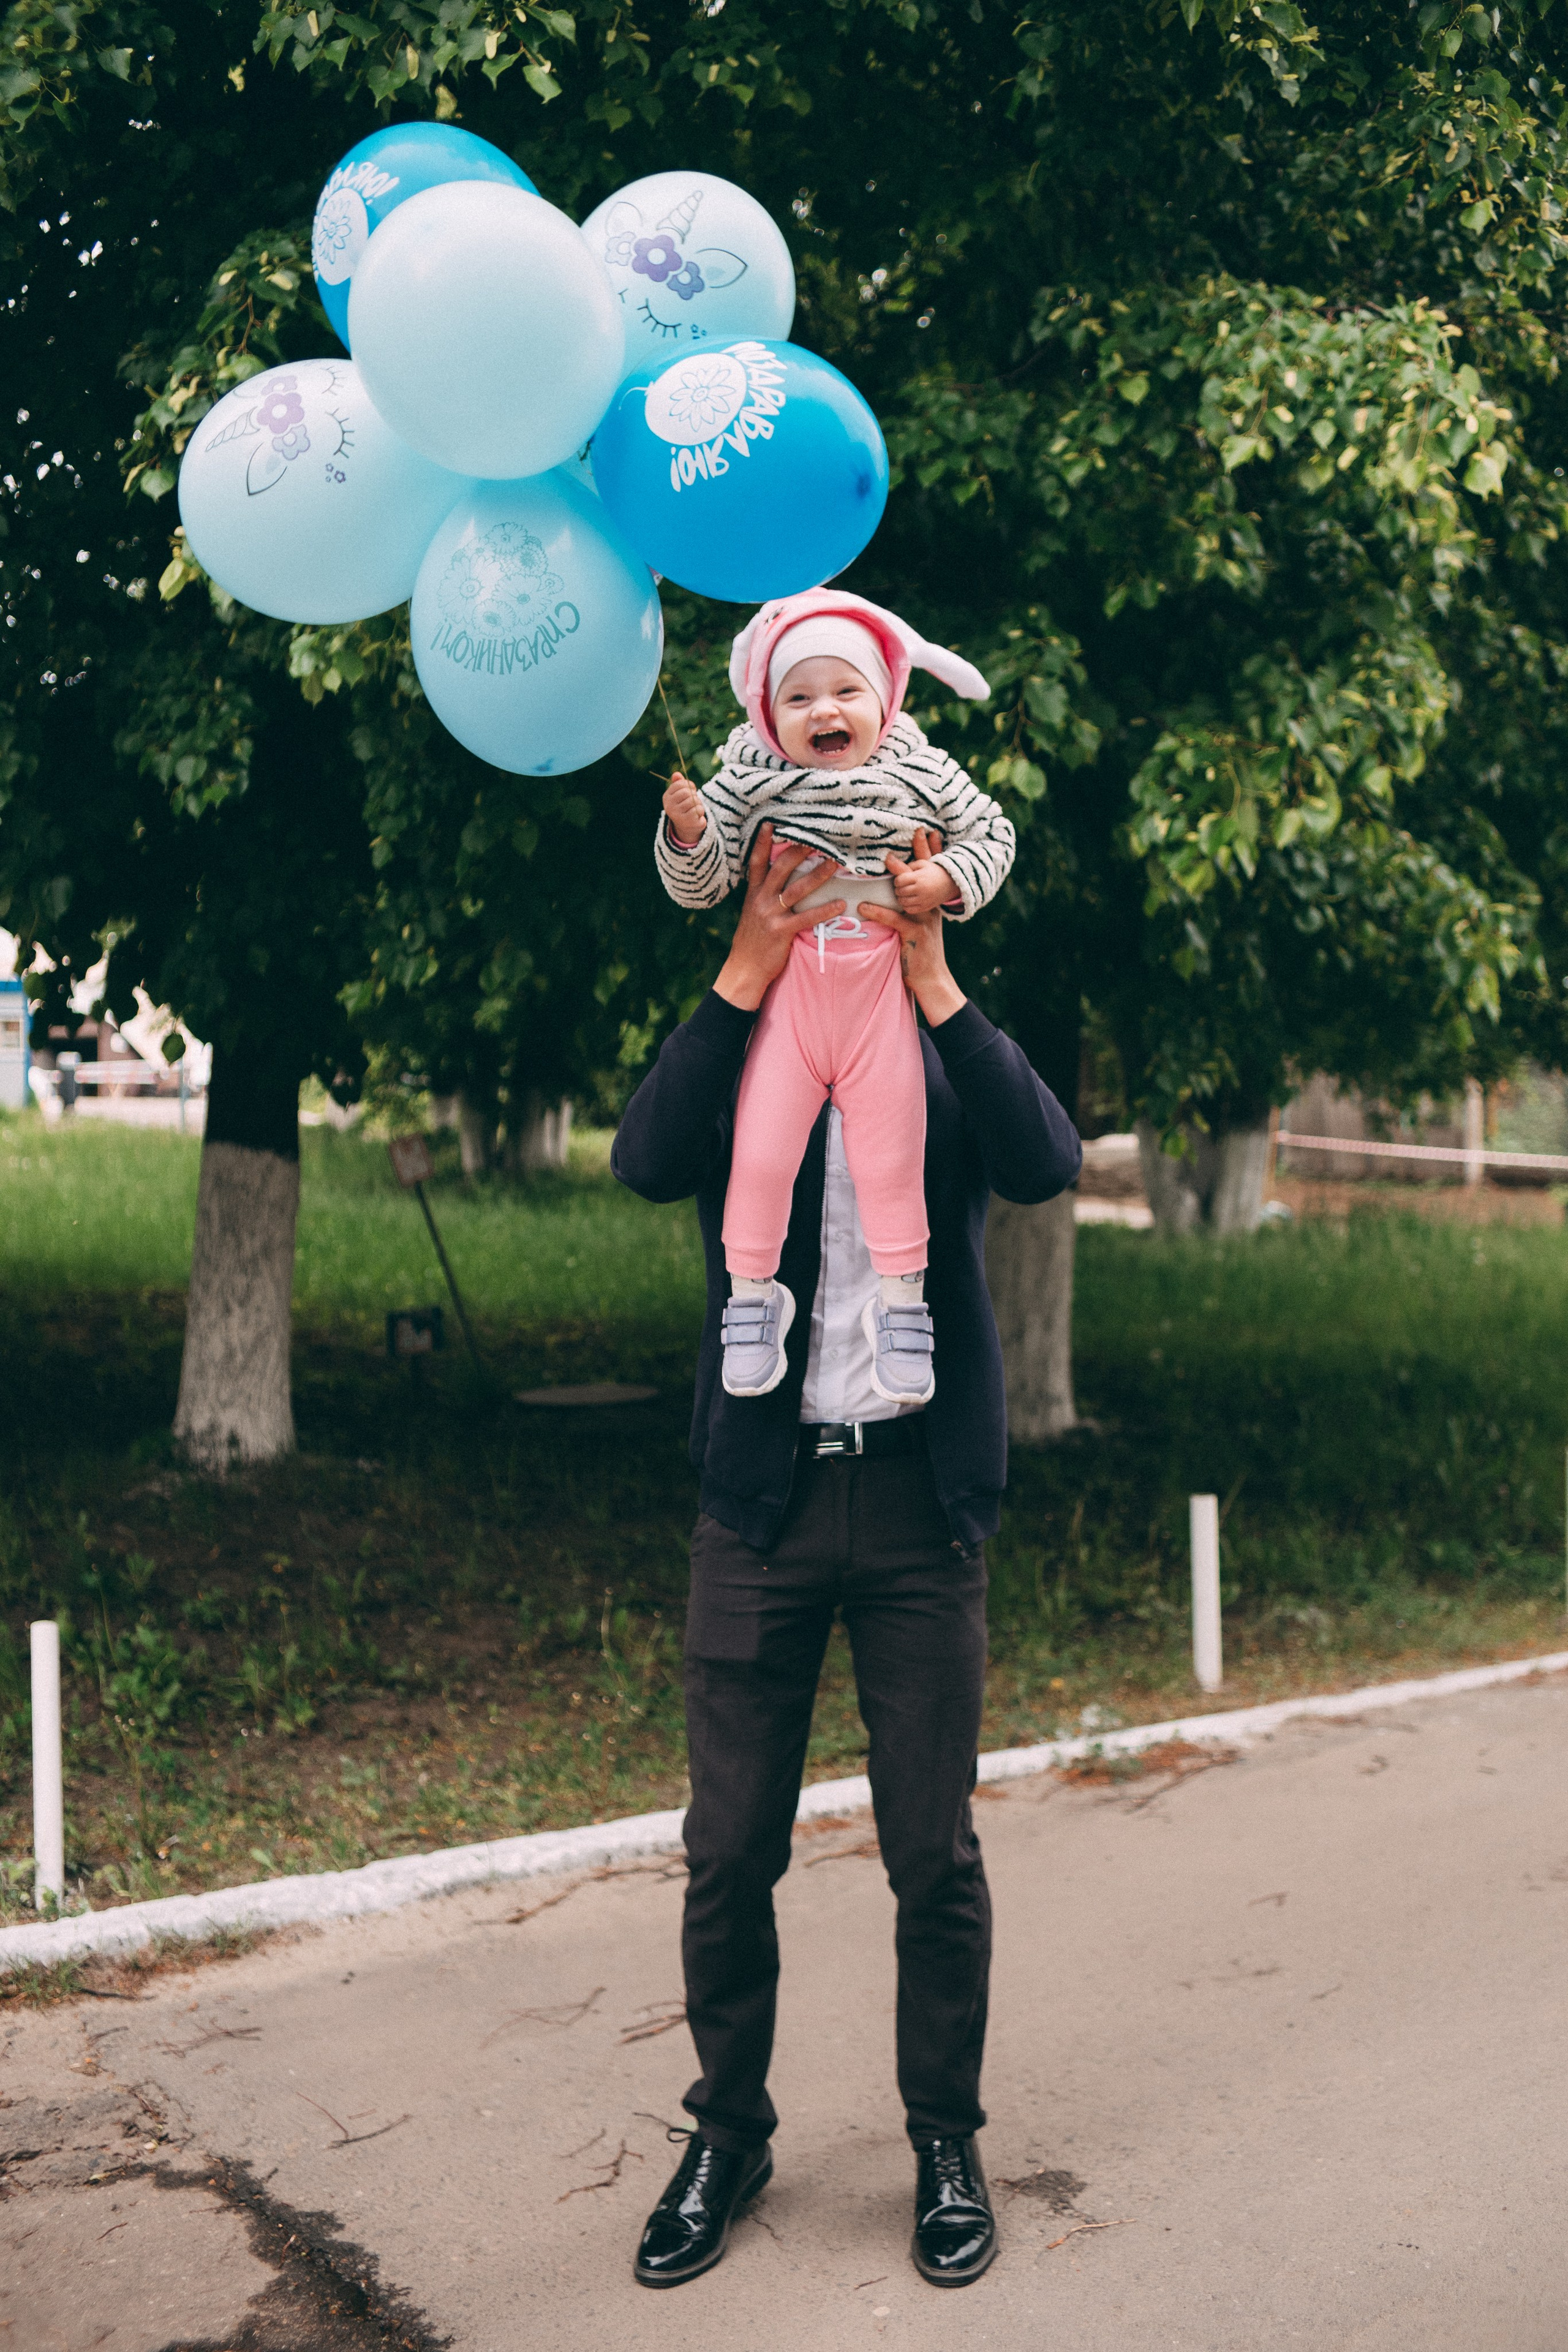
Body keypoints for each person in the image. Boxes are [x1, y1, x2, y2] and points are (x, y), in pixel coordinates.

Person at [611, 823, 1081, 2291]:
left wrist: (939, 983)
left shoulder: (930, 1033)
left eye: (867, 863)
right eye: (806, 867)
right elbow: (640, 1162)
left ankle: (943, 2140)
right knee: (726, 1848)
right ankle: (727, 2135)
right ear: (765, 869)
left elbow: (1045, 1161)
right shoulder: (745, 1039)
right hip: (758, 1507)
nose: (841, 884)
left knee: (929, 1856)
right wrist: (740, 973)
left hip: (916, 1510)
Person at [654, 589, 1016, 1411]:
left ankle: (902, 1308)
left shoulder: (918, 768)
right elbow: (703, 885)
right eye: (799, 695)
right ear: (767, 713)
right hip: (790, 994)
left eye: (846, 690)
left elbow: (993, 833)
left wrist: (948, 878)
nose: (825, 709)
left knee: (892, 1155)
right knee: (762, 1155)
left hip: (879, 992)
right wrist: (687, 833)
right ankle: (751, 1303)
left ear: (885, 699)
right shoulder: (752, 775)